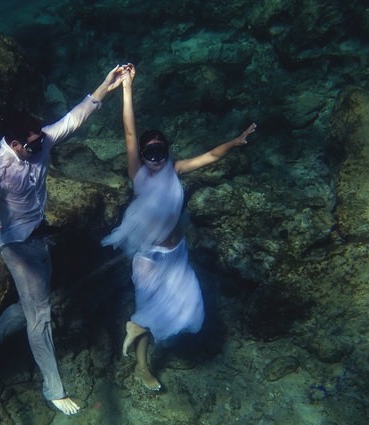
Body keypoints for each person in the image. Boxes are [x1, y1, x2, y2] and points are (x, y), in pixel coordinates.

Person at [0, 66, 126, 415]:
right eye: (34, 144)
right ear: (16, 144)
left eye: (41, 140)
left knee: (27, 308)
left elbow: (74, 118)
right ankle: (53, 389)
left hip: (39, 236)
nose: (41, 147)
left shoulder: (41, 141)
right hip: (16, 246)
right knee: (41, 315)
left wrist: (106, 85)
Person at [102, 64, 257, 391]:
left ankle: (138, 327)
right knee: (148, 311)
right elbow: (129, 130)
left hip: (176, 255)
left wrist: (235, 142)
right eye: (149, 153)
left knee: (190, 307)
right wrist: (127, 87)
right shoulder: (138, 173)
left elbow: (211, 156)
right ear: (141, 155)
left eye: (160, 151)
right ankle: (143, 366)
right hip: (149, 260)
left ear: (167, 151)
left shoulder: (176, 169)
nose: (155, 158)